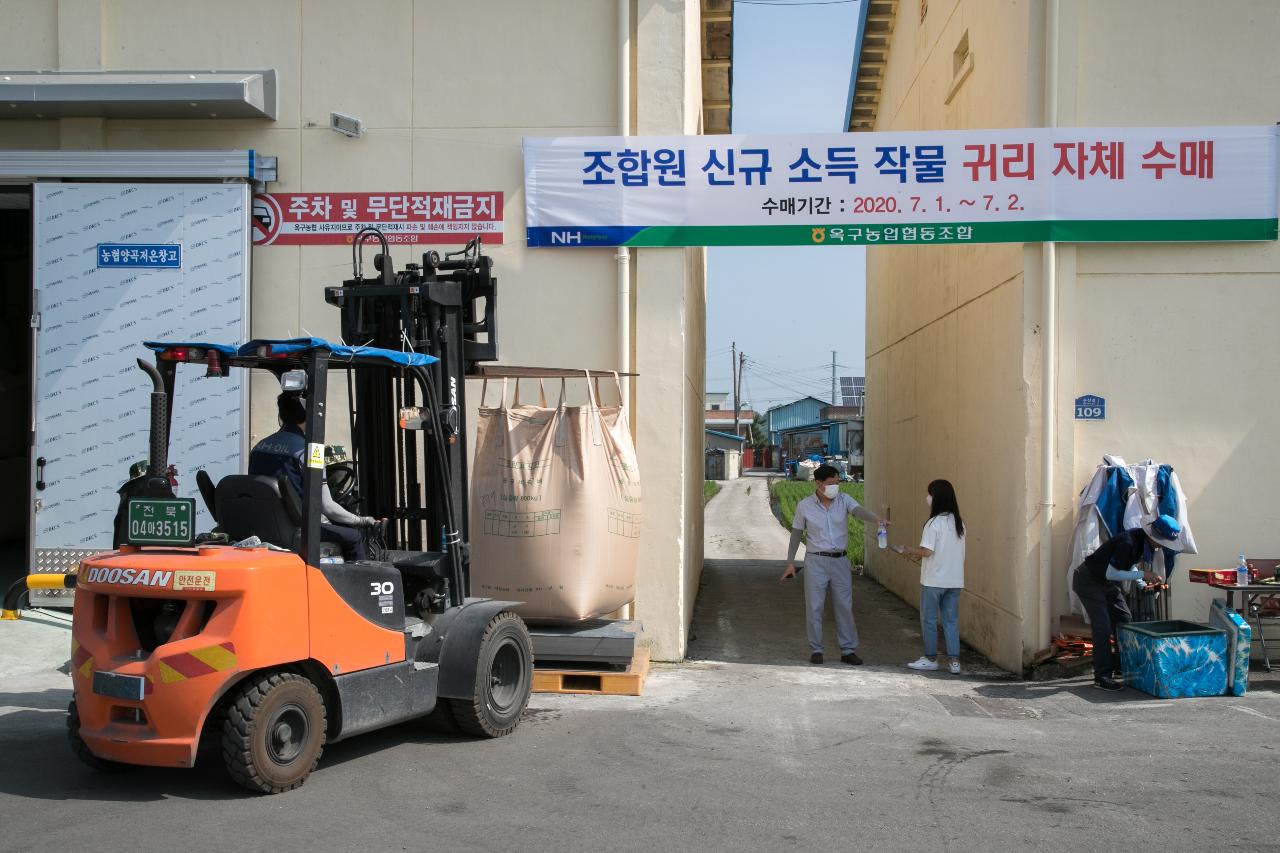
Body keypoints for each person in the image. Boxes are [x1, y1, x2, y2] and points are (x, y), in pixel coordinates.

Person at [248, 393, 379, 561]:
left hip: (266, 524)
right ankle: (361, 585)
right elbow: (327, 507)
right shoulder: (310, 451)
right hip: (297, 528)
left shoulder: (259, 447)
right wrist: (361, 520)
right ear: (309, 415)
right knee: (354, 537)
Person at [782, 465, 890, 665]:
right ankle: (816, 649)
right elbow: (796, 534)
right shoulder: (805, 506)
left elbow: (858, 511)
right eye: (831, 483)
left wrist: (877, 520)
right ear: (818, 484)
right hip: (816, 561)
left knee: (844, 606)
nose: (835, 487)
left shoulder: (844, 500)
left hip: (840, 561)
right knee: (814, 606)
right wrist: (790, 562)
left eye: (837, 483)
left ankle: (848, 650)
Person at [1072, 517, 1175, 691]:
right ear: (1153, 536)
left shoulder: (1140, 541)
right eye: (1161, 542)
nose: (1161, 546)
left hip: (1105, 583)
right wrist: (1143, 574)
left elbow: (1128, 565)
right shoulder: (1128, 542)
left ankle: (1122, 665)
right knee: (1102, 626)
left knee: (1125, 619)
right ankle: (1102, 676)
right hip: (1088, 580)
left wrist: (1143, 584)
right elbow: (1112, 573)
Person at [897, 480, 966, 675]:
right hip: (954, 580)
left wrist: (909, 550)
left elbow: (927, 551)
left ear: (935, 497)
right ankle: (954, 661)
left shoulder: (933, 523)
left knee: (929, 619)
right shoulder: (959, 522)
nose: (927, 498)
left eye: (929, 494)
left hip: (933, 580)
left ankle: (930, 658)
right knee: (951, 620)